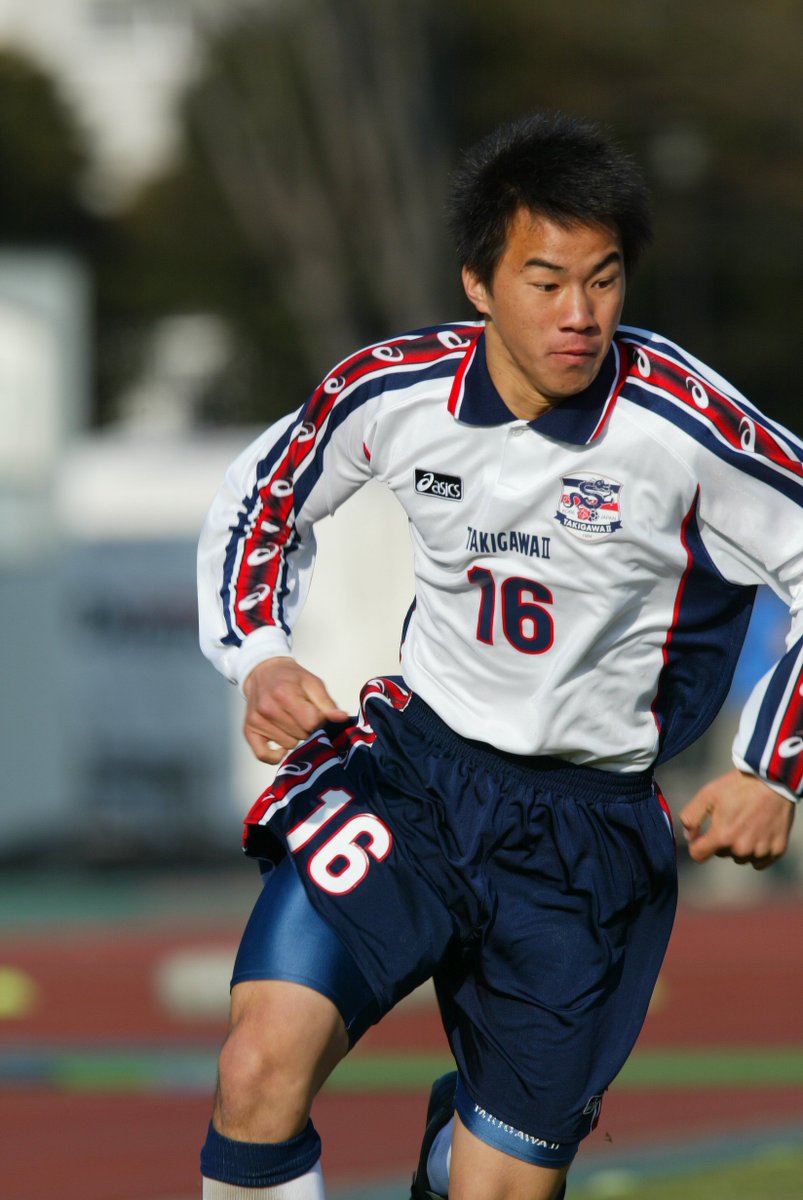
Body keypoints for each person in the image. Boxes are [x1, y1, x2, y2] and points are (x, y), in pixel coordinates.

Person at [196, 112, 798, 1200]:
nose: (579, 316)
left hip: (587, 840)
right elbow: (264, 498)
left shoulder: (685, 427)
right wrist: (258, 654)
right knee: (257, 1068)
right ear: (477, 284)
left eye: (604, 281)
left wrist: (769, 767)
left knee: (494, 1191)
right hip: (413, 780)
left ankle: (449, 1154)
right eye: (544, 280)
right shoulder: (393, 390)